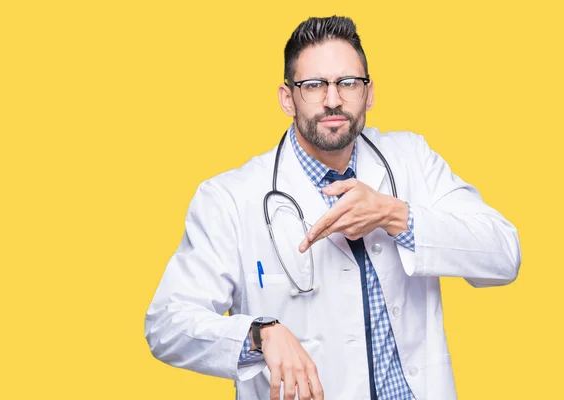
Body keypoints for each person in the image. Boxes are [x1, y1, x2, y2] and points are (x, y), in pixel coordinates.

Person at [144, 16, 521, 400]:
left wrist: (394, 215)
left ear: (369, 93)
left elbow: (504, 255)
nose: (333, 99)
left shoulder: (413, 159)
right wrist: (260, 335)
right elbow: (166, 324)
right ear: (287, 98)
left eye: (347, 83)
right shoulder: (229, 198)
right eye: (313, 85)